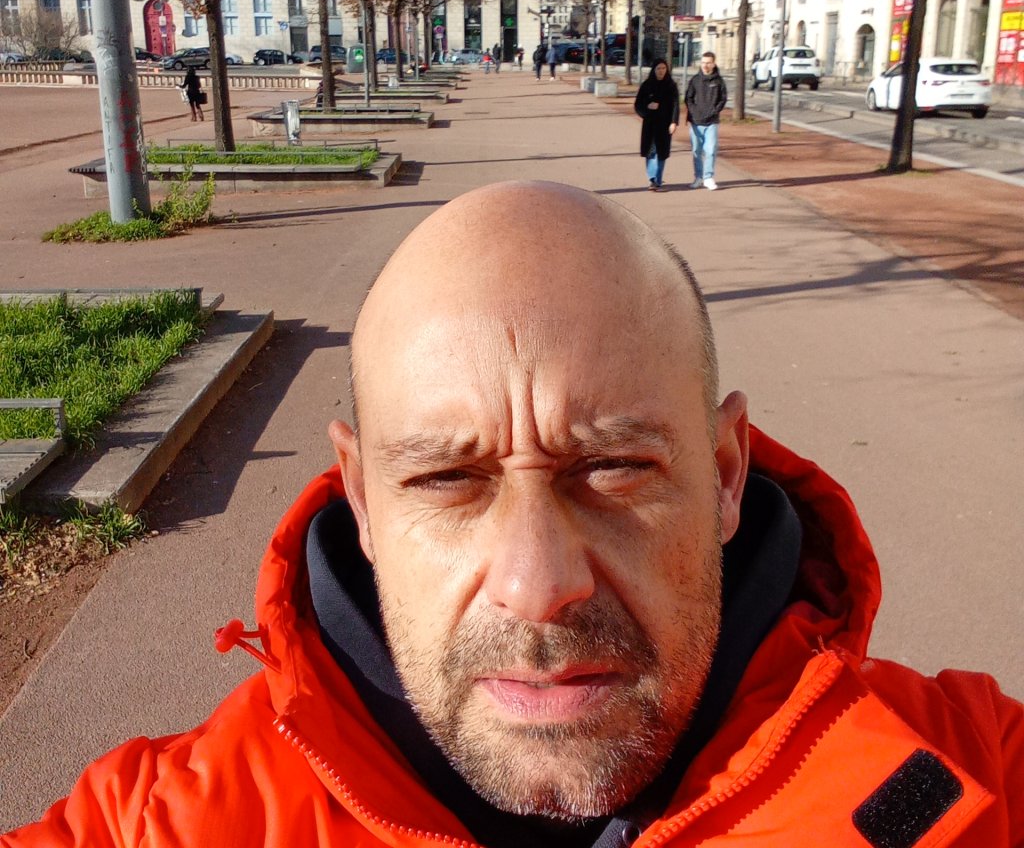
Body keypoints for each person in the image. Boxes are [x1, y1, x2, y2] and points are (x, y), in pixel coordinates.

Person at [3, 182, 1022, 847]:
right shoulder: (164, 826)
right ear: (361, 500)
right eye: (448, 479)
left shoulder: (981, 780)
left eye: (613, 467)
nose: (538, 584)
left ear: (723, 472)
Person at [633, 58, 680, 191]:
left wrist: (674, 122)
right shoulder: (647, 85)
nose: (661, 71)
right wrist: (647, 107)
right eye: (658, 68)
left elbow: (675, 105)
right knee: (651, 151)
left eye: (663, 68)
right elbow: (638, 104)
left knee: (661, 153)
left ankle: (658, 179)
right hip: (650, 124)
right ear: (654, 70)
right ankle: (652, 179)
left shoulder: (671, 85)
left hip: (664, 124)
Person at [684, 51, 727, 190]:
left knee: (710, 150)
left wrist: (714, 111)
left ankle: (708, 177)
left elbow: (723, 99)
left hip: (711, 122)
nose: (705, 65)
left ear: (713, 64)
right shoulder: (695, 80)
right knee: (696, 151)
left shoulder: (719, 81)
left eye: (708, 63)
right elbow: (688, 98)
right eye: (703, 62)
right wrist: (694, 112)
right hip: (696, 122)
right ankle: (698, 177)